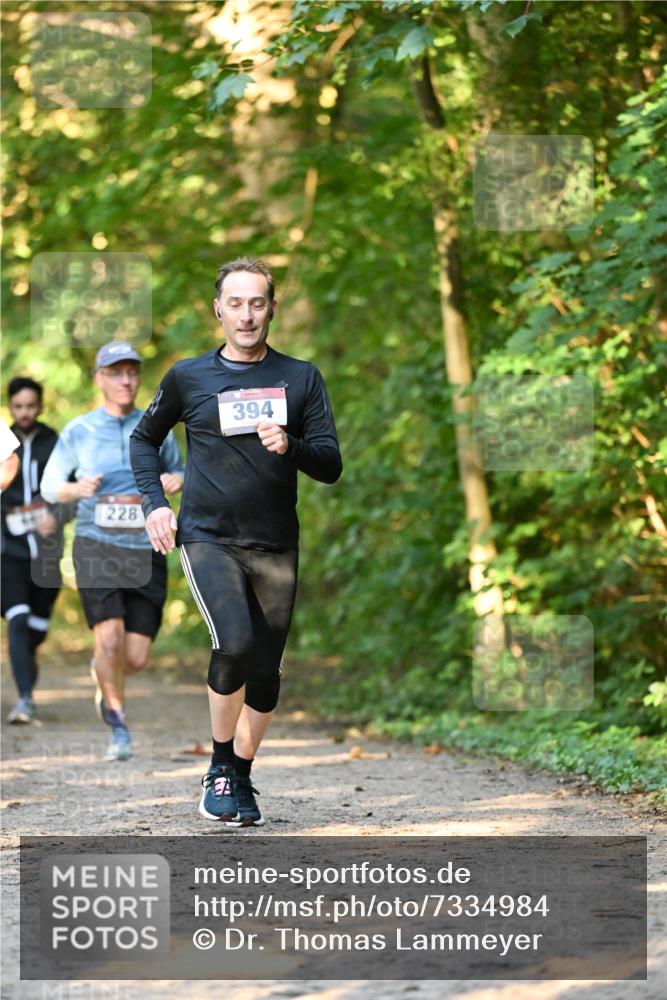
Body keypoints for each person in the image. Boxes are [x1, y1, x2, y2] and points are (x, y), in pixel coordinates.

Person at [130, 256, 342, 827]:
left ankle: (240, 776)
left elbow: (331, 464)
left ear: (272, 308)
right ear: (218, 309)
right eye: (236, 303)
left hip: (275, 544)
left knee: (268, 672)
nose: (247, 315)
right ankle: (219, 768)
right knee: (235, 640)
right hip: (207, 537)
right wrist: (155, 506)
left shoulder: (301, 378)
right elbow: (143, 439)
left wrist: (291, 445)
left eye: (257, 303)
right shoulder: (188, 377)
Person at [41, 343, 184, 760]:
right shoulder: (79, 431)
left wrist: (175, 479)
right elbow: (51, 486)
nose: (125, 380)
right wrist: (77, 488)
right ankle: (118, 726)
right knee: (107, 642)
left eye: (132, 373)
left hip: (147, 546)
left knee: (134, 657)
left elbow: (181, 469)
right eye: (116, 373)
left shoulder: (156, 425)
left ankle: (104, 680)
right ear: (99, 378)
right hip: (96, 545)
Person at [1, 380, 68, 723]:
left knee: (36, 631)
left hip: (46, 555)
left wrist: (57, 518)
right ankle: (25, 699)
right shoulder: (3, 444)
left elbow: (73, 491)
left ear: (40, 405)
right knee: (18, 619)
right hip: (7, 552)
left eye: (30, 406)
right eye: (18, 407)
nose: (24, 413)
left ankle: (26, 675)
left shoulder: (56, 443)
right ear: (10, 407)